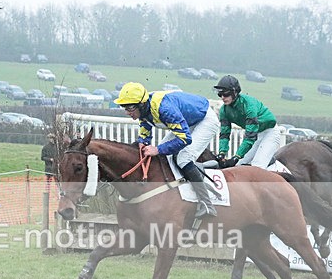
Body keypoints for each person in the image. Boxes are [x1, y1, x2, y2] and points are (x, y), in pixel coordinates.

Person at [113, 81, 220, 218]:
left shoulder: (164, 109)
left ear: (141, 104)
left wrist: (157, 149)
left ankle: (207, 204)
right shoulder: (144, 110)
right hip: (188, 120)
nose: (127, 112)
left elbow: (185, 139)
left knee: (183, 158)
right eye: (124, 108)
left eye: (130, 108)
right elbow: (145, 128)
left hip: (205, 120)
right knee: (161, 156)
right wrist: (143, 142)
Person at [213, 75, 281, 170]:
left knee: (257, 167)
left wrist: (236, 156)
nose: (223, 97)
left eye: (226, 94)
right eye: (220, 94)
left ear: (235, 93)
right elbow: (224, 134)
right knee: (238, 166)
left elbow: (250, 137)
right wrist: (222, 153)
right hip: (256, 134)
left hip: (270, 132)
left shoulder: (249, 105)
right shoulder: (223, 110)